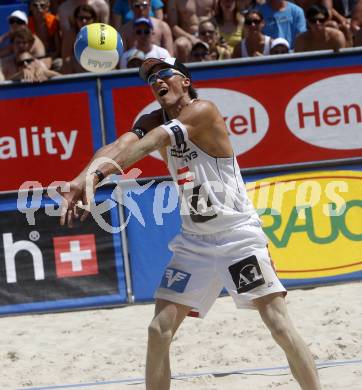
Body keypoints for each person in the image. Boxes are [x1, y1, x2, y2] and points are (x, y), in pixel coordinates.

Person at [58, 56, 322, 390]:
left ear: (185, 80)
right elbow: (118, 145)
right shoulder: (153, 117)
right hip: (195, 242)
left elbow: (151, 144)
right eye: (150, 78)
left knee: (279, 326)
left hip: (237, 236)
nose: (156, 81)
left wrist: (97, 175)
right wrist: (80, 180)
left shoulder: (203, 110)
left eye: (164, 73)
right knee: (158, 331)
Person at [28, 0, 61, 64]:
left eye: (42, 5)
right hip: (34, 57)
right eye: (35, 5)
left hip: (52, 55)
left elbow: (58, 48)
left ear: (47, 7)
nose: (38, 8)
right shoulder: (27, 24)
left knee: (59, 63)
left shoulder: (53, 21)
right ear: (30, 7)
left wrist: (50, 59)